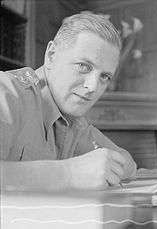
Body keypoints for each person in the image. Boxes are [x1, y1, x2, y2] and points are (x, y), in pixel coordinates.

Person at [0, 13, 137, 192]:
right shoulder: (6, 92)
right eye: (83, 66)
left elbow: (128, 163)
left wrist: (109, 165)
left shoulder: (74, 121)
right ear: (51, 55)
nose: (92, 87)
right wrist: (69, 174)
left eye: (104, 76)